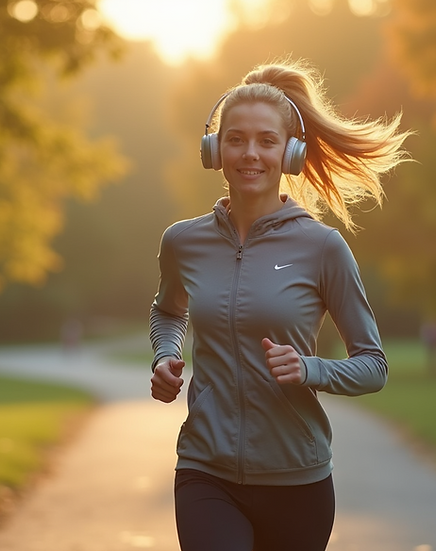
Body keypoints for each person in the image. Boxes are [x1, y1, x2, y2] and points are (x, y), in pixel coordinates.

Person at [148, 58, 411, 551]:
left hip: (298, 483)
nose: (250, 154)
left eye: (267, 141)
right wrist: (165, 354)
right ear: (214, 149)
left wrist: (310, 369)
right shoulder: (183, 242)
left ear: (290, 152)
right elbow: (167, 310)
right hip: (207, 471)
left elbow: (373, 367)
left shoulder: (322, 248)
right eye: (236, 138)